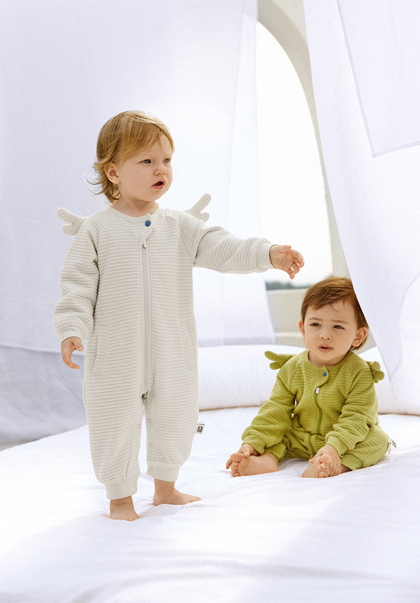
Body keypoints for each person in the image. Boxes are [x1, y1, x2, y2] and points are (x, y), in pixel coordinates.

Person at [54, 110, 304, 521]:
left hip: (173, 351)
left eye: (167, 160)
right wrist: (71, 327)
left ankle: (166, 488)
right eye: (147, 161)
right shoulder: (96, 230)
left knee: (175, 416)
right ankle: (120, 499)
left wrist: (268, 253)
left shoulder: (179, 226)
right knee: (114, 423)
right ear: (113, 172)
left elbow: (224, 247)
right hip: (114, 356)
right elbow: (77, 286)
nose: (161, 169)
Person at [226, 276, 391, 479]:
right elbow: (275, 410)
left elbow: (356, 417)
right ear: (303, 329)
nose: (325, 335)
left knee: (378, 440)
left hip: (344, 440)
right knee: (278, 432)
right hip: (301, 438)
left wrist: (335, 446)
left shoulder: (359, 372)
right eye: (315, 324)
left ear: (358, 336)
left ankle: (336, 465)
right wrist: (252, 442)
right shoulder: (292, 368)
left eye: (337, 327)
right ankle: (267, 459)